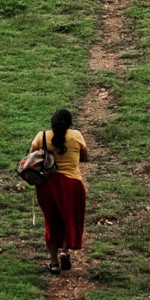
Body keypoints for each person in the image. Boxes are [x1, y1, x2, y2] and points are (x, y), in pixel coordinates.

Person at [30, 107, 89, 272]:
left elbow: (31, 158)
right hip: (72, 185)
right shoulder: (76, 135)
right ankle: (65, 251)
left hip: (47, 185)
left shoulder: (41, 137)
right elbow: (85, 157)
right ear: (69, 123)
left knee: (52, 222)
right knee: (68, 219)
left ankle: (54, 263)